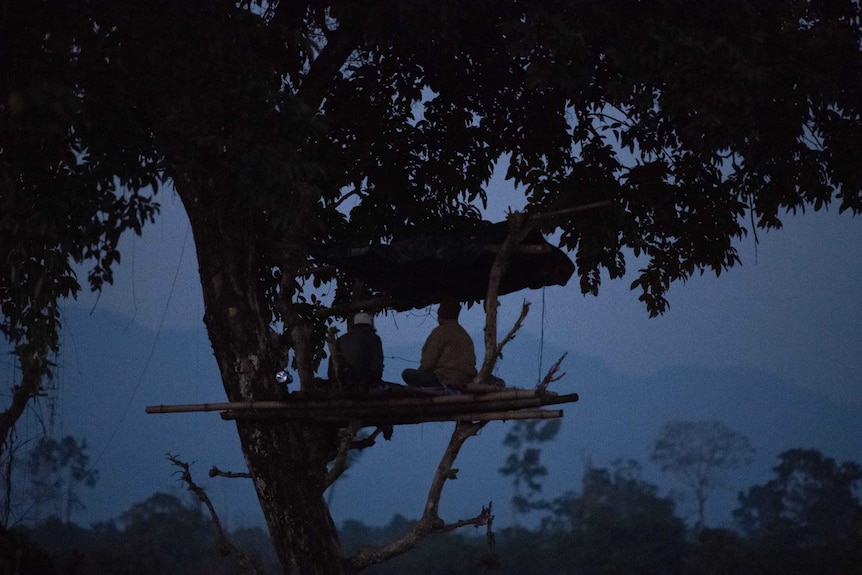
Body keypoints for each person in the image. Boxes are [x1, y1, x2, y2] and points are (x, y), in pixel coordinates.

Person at [402, 298, 477, 390]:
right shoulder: (465, 335)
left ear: (439, 314)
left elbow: (428, 363)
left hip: (443, 379)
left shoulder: (440, 332)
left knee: (407, 374)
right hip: (466, 380)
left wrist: (421, 372)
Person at [328, 312, 385, 391]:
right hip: (364, 385)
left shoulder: (341, 339)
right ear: (370, 324)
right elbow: (376, 366)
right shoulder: (374, 338)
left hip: (342, 382)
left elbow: (332, 362)